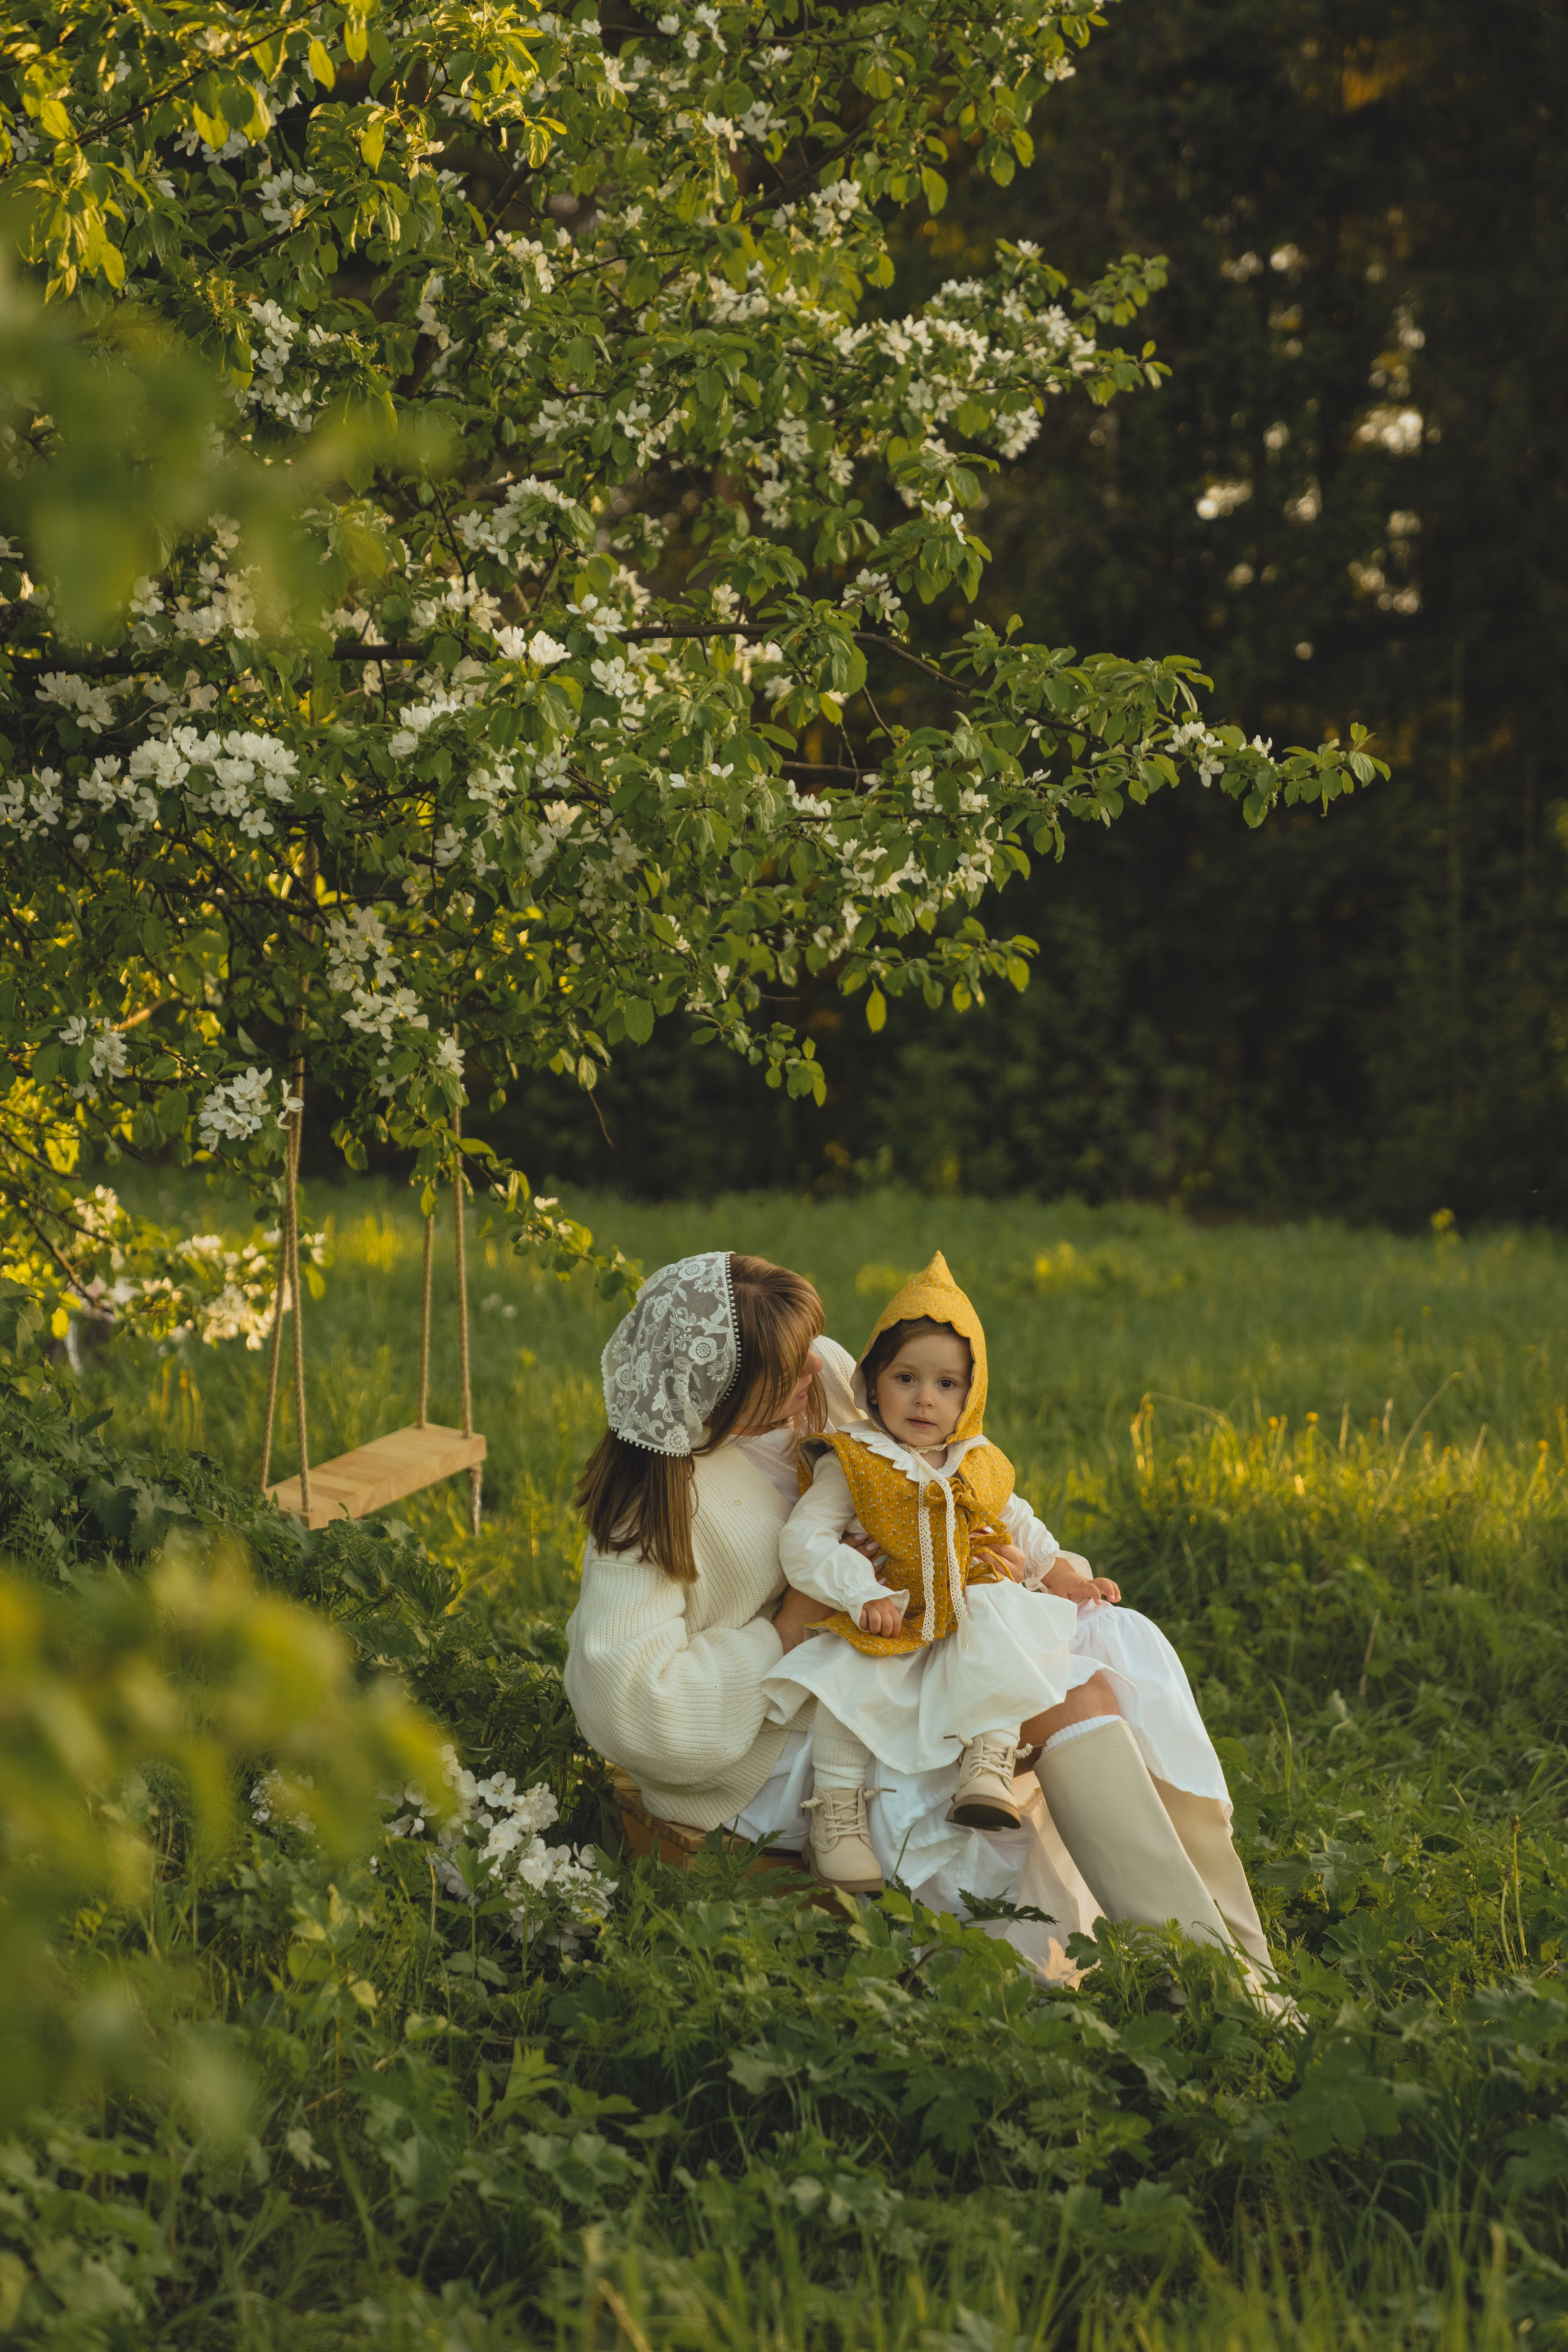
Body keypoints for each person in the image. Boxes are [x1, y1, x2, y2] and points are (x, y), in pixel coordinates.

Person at [564, 1248, 1278, 1993]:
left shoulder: (818, 1381)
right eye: (786, 1380)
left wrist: (997, 1558)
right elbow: (636, 1715)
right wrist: (788, 1622)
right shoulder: (649, 1513)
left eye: (810, 1357)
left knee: (1101, 1658)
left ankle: (1235, 1962)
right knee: (1059, 1693)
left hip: (890, 1643)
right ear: (714, 1394)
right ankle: (1216, 1982)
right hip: (770, 1736)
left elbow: (927, 1475)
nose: (816, 1379)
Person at [761, 1251, 1112, 1894]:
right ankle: (836, 1820)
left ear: (970, 1396)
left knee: (1005, 1622)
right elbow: (804, 1540)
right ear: (872, 1383)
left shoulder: (976, 1461)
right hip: (888, 1610)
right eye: (906, 1378)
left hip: (961, 1609)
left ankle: (988, 1759)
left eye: (947, 1384)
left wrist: (1059, 1572)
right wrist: (860, 1590)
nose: (925, 1398)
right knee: (848, 1684)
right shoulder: (855, 1460)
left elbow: (1020, 1524)